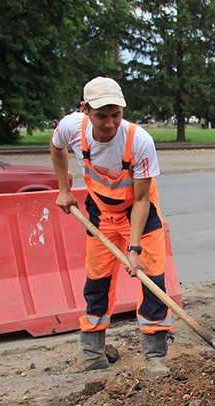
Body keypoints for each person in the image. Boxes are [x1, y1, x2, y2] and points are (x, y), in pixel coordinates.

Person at [50, 76, 173, 378]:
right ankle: (93, 354)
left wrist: (134, 248)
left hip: (140, 217)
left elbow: (142, 199)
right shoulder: (71, 128)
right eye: (102, 115)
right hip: (101, 216)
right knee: (97, 283)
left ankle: (154, 356)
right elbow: (56, 148)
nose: (109, 123)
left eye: (115, 114)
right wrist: (64, 189)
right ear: (85, 110)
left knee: (152, 282)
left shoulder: (139, 141)